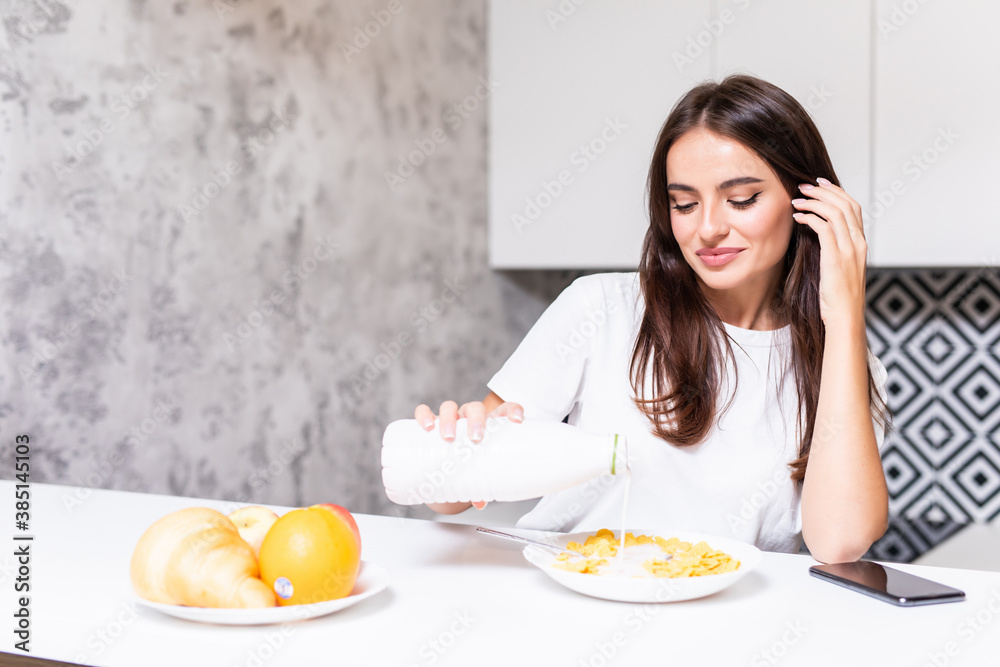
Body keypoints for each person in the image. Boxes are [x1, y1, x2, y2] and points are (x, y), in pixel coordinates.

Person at [412, 75, 890, 563]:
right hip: (571, 612)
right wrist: (451, 450)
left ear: (807, 202)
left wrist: (844, 317)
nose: (708, 228)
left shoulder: (842, 361)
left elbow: (841, 541)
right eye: (684, 203)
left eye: (742, 199)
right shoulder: (601, 310)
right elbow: (448, 491)